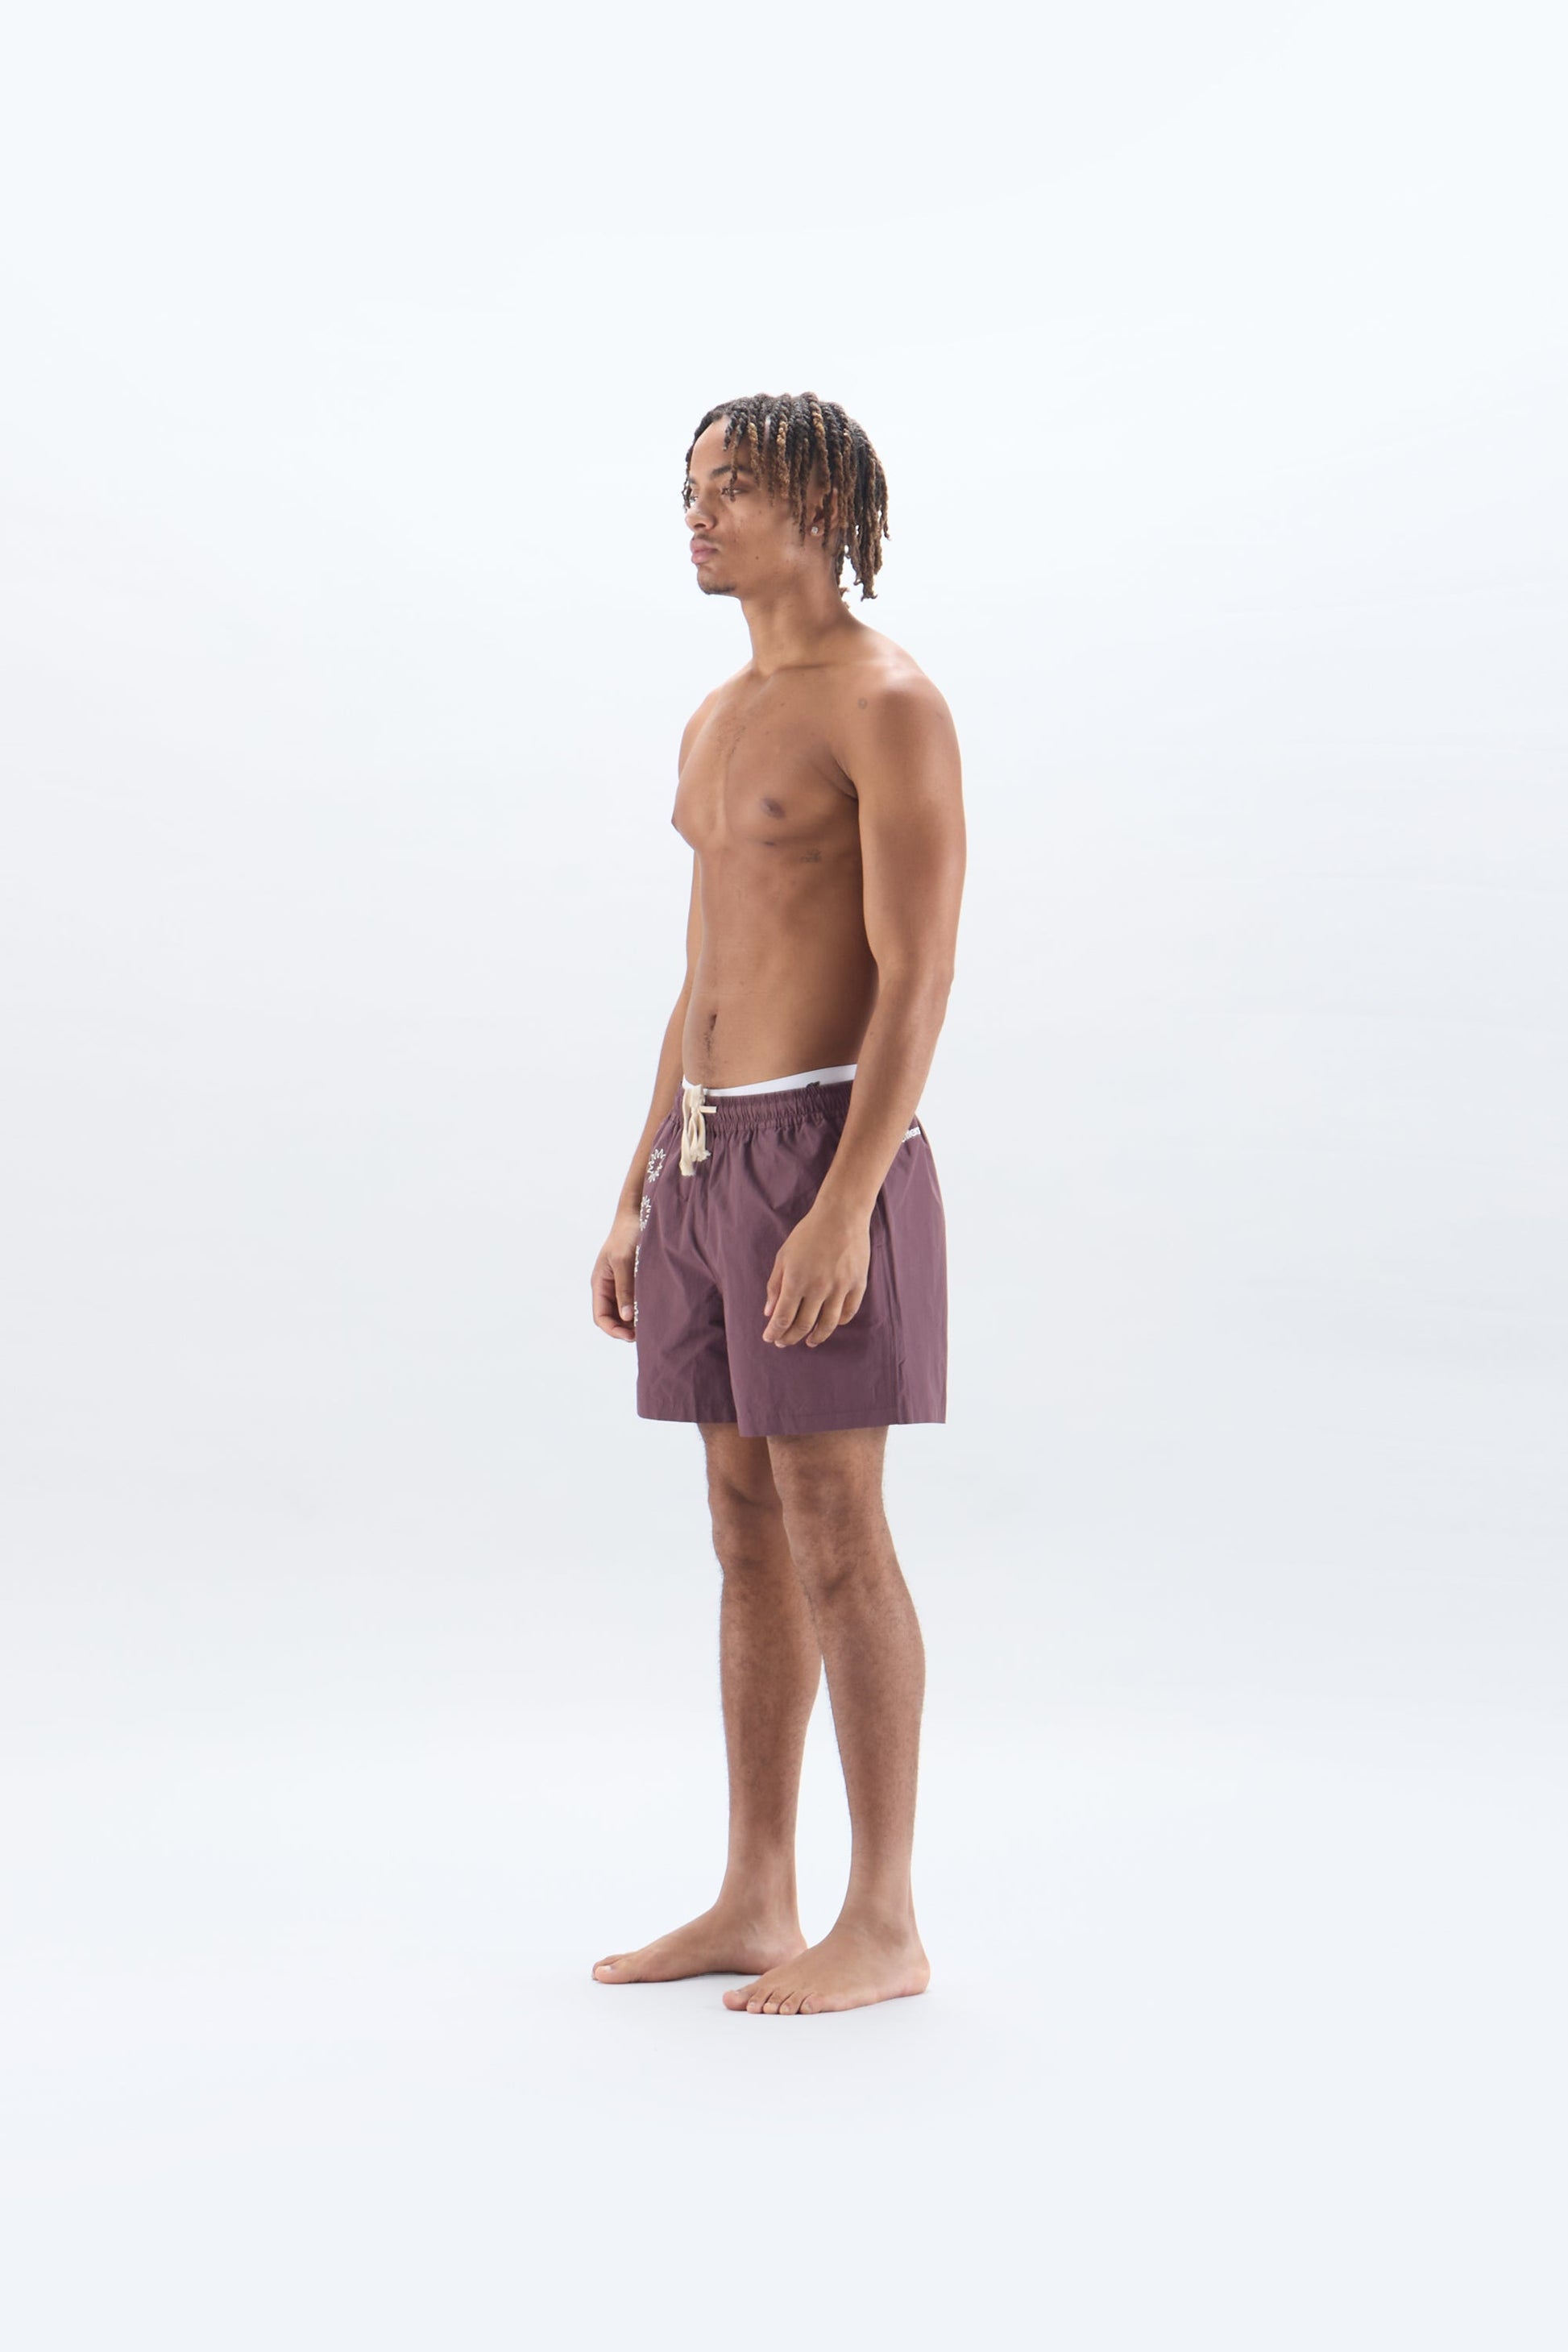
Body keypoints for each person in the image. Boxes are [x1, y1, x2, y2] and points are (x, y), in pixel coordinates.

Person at [588, 392, 965, 2016]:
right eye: (689, 486)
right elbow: (702, 969)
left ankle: (882, 1918)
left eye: (730, 485)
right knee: (740, 1523)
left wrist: (845, 1200)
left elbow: (917, 972)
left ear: (817, 505)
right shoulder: (714, 714)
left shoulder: (887, 701)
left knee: (832, 1523)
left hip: (821, 1144)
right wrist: (636, 1189)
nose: (697, 512)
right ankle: (757, 1891)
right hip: (702, 1151)